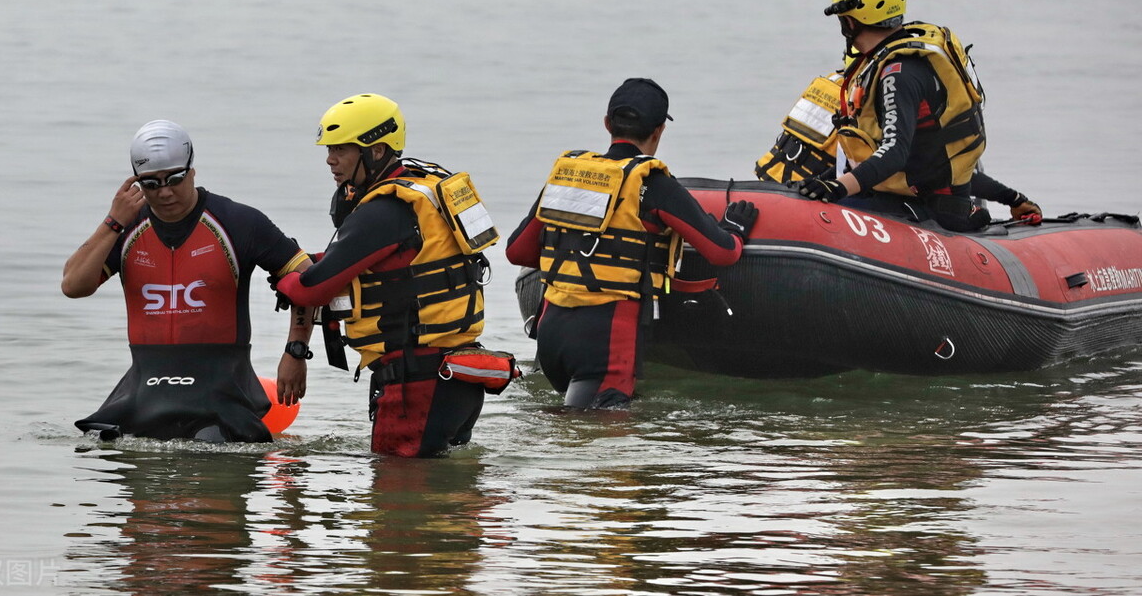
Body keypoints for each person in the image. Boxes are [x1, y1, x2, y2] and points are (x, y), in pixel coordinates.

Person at [273, 94, 505, 458]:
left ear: (377, 151)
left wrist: (285, 269)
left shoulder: (384, 211)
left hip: (417, 386)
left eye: (341, 149)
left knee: (397, 507)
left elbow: (310, 289)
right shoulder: (423, 187)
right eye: (329, 149)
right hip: (454, 379)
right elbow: (396, 264)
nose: (330, 159)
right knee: (445, 509)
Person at [506, 78, 758, 410]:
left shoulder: (569, 176)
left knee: (572, 435)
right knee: (609, 452)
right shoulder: (653, 183)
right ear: (659, 131)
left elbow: (517, 252)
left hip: (551, 336)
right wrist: (735, 229)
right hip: (605, 342)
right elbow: (722, 252)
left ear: (607, 124)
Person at [61, 120, 312, 442]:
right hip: (145, 390)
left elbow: (307, 279)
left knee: (213, 458)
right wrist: (113, 221)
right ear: (136, 183)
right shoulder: (125, 229)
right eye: (151, 183)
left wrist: (296, 351)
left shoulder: (238, 222)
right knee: (100, 450)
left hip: (220, 389)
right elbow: (73, 286)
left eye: (175, 179)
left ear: (192, 170)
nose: (165, 192)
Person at [793, 0, 995, 232]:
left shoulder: (896, 74)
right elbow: (913, 152)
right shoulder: (902, 61)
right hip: (923, 197)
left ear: (850, 22)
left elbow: (894, 153)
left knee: (812, 219)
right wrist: (819, 182)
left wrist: (838, 187)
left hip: (926, 209)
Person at [756, 66, 1042, 223]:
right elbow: (957, 176)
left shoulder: (851, 103)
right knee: (978, 217)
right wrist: (1014, 199)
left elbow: (854, 166)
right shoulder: (900, 111)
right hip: (880, 205)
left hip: (835, 194)